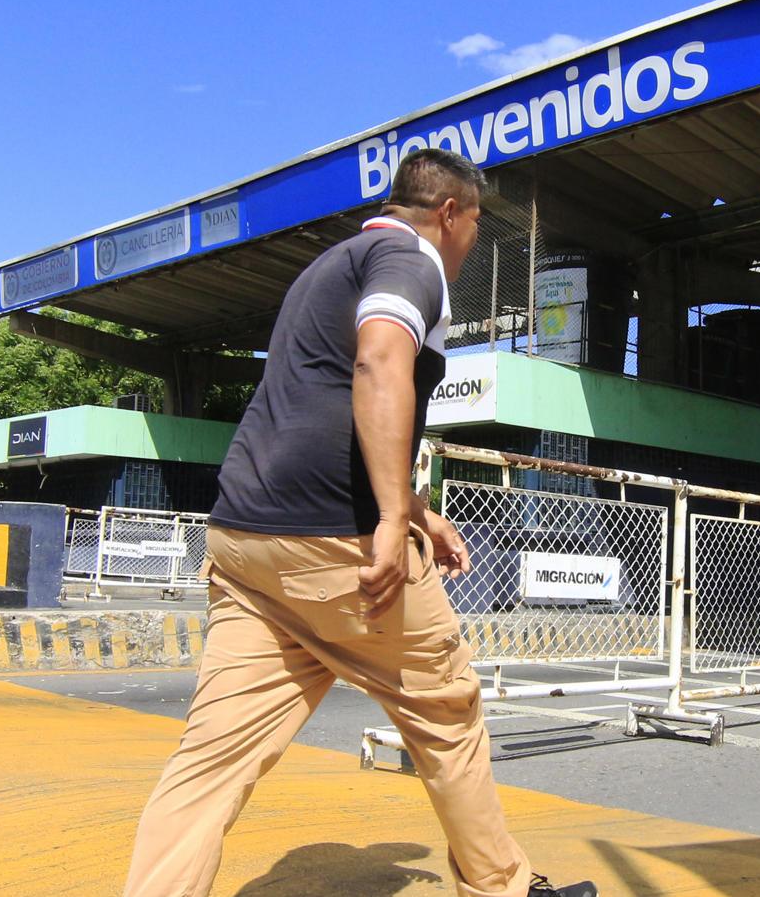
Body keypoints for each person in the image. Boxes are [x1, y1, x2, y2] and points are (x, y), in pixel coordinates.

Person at [123, 148, 595, 897]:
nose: (473, 240)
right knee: (446, 706)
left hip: (246, 538)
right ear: (449, 212)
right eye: (475, 222)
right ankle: (500, 886)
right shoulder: (411, 260)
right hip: (332, 540)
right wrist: (385, 519)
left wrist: (415, 510)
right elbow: (379, 363)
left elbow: (321, 403)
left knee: (212, 755)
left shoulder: (329, 265)